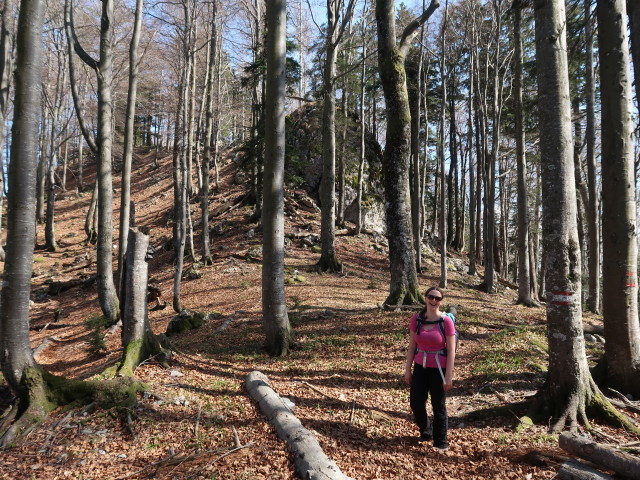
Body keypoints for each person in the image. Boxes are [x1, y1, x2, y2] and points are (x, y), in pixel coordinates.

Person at [404, 286, 456, 450]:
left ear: (441, 301)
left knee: (438, 406)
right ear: (425, 298)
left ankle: (441, 442)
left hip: (438, 369)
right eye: (431, 297)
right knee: (416, 403)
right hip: (420, 367)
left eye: (437, 298)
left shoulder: (445, 321)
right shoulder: (417, 319)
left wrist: (448, 376)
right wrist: (407, 370)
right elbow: (412, 346)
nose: (433, 301)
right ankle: (426, 430)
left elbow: (451, 350)